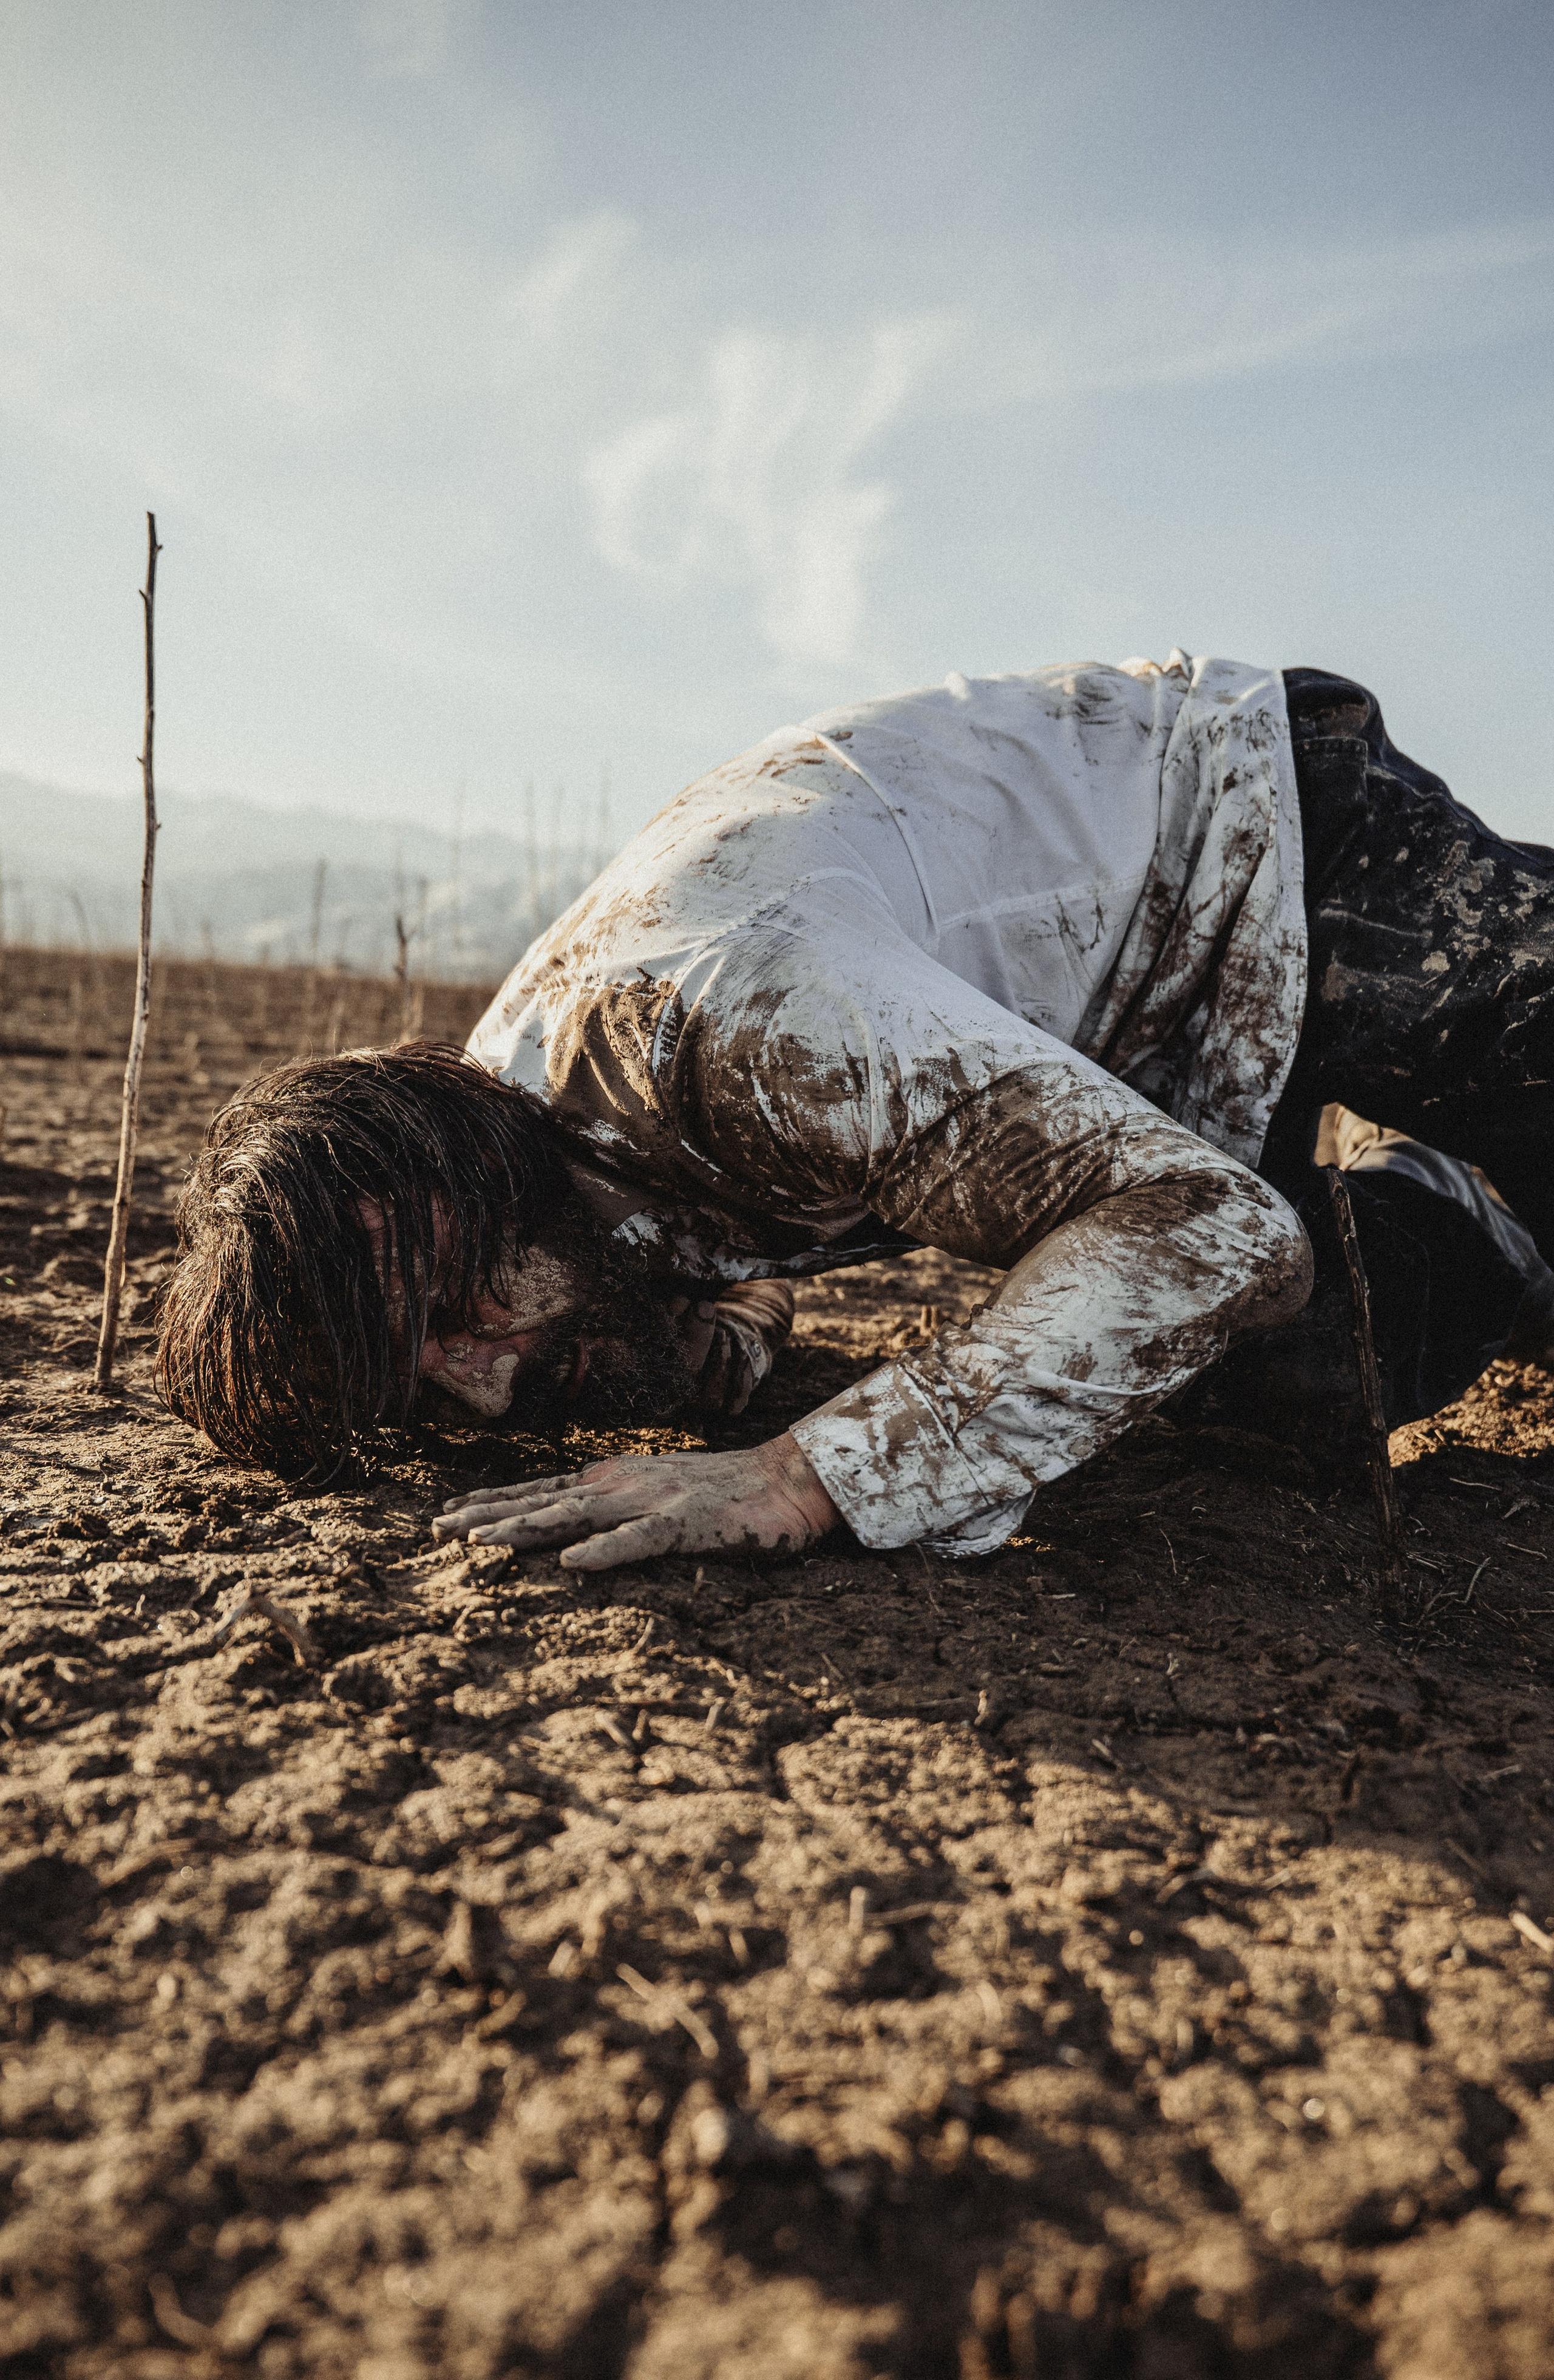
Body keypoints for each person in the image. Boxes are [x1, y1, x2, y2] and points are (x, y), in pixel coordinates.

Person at [158, 653, 1554, 1569]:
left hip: (1251, 830)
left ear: (476, 1190)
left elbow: (1205, 1225)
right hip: (1137, 1066)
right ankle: (1448, 1208)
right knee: (1273, 1388)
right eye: (419, 1376)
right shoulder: (526, 1176)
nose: (481, 1380)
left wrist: (806, 1472)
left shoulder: (740, 1029)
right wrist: (714, 1344)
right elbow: (699, 1283)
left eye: (456, 1307)